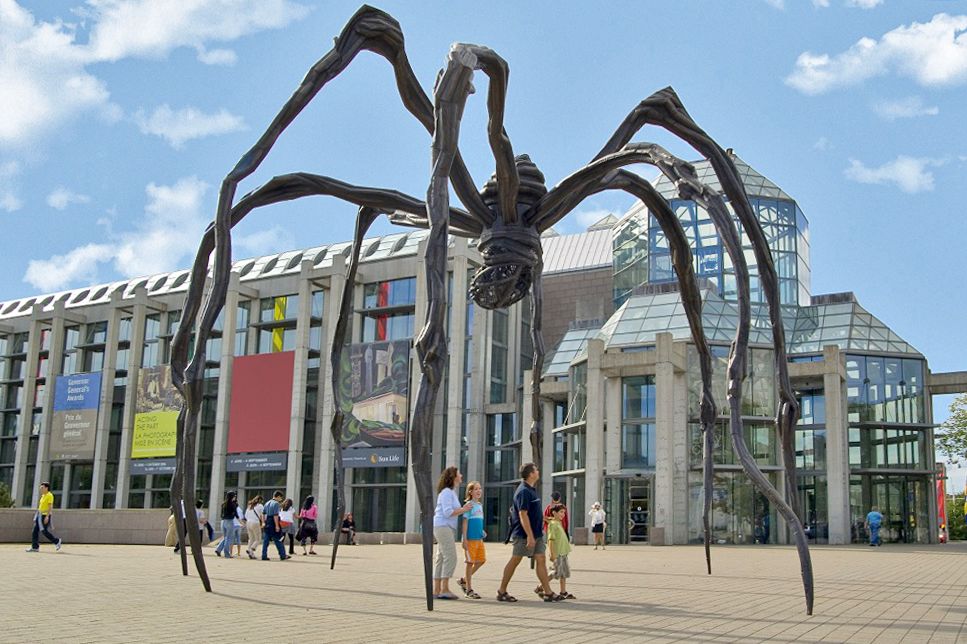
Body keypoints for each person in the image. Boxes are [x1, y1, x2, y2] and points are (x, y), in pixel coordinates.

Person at [496, 463, 563, 603]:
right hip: (524, 534)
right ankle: (502, 591)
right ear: (531, 474)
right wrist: (530, 536)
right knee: (515, 560)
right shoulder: (523, 491)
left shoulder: (531, 489)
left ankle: (548, 592)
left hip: (536, 533)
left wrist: (544, 519)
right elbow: (523, 514)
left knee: (541, 559)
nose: (538, 471)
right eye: (536, 470)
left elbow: (532, 512)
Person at [432, 466, 473, 600]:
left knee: (441, 558)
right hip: (443, 527)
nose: (461, 475)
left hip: (443, 527)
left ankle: (437, 589)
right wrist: (464, 509)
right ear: (454, 477)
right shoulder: (447, 493)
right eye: (459, 473)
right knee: (451, 557)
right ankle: (444, 589)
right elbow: (448, 512)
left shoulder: (450, 492)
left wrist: (462, 509)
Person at [458, 480, 486, 599]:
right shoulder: (468, 505)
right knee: (470, 563)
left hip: (479, 540)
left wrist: (482, 531)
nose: (478, 491)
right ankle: (468, 590)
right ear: (470, 492)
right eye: (476, 489)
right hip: (470, 540)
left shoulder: (479, 505)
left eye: (480, 488)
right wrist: (464, 539)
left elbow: (478, 522)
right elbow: (465, 523)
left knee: (481, 560)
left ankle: (463, 580)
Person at [546, 504, 575, 600]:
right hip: (557, 553)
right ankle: (541, 586)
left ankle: (563, 592)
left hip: (563, 552)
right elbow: (551, 539)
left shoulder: (558, 523)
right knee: (556, 572)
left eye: (564, 512)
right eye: (561, 512)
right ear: (554, 513)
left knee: (563, 573)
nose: (563, 514)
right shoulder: (553, 524)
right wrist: (551, 553)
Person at [26, 481, 62, 553]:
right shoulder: (43, 496)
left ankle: (57, 541)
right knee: (35, 531)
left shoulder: (49, 495)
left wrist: (47, 516)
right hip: (39, 515)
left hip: (45, 515)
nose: (41, 489)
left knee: (44, 531)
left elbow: (50, 506)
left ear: (46, 488)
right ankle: (35, 547)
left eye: (42, 488)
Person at [261, 490, 289, 561]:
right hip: (273, 522)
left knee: (266, 540)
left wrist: (263, 522)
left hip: (267, 522)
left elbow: (263, 514)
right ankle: (282, 555)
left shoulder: (267, 503)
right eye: (281, 498)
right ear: (278, 496)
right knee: (278, 539)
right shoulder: (276, 503)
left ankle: (264, 555)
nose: (281, 500)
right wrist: (277, 526)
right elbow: (275, 515)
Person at [215, 491, 240, 558]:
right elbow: (235, 514)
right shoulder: (232, 504)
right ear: (232, 496)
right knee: (228, 538)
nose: (235, 497)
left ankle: (218, 549)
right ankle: (227, 553)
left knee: (226, 537)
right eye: (234, 496)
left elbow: (221, 514)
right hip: (229, 521)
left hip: (223, 521)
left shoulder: (223, 504)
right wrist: (240, 521)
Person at [244, 495, 264, 559]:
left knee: (251, 539)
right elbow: (262, 515)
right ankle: (251, 550)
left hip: (248, 523)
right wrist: (263, 522)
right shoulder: (260, 506)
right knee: (258, 539)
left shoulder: (250, 506)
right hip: (255, 522)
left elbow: (245, 516)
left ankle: (251, 553)